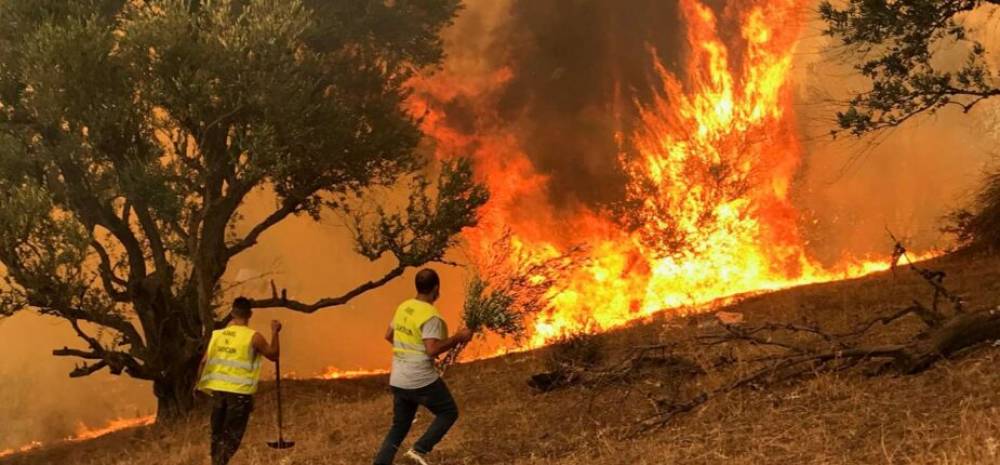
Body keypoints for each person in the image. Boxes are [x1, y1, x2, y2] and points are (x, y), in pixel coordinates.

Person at [373, 269, 473, 465]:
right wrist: (458, 337)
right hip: (420, 380)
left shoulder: (404, 307)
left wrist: (411, 352)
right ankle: (419, 450)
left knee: (399, 427)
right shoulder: (431, 316)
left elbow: (388, 335)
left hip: (399, 379)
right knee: (448, 412)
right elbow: (432, 349)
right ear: (436, 289)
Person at [196, 297, 281, 465]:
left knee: (217, 435)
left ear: (232, 313)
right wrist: (275, 332)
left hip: (218, 393)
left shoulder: (217, 335)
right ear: (250, 314)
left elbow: (204, 362)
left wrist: (197, 386)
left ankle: (216, 462)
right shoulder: (253, 337)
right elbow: (273, 355)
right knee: (232, 437)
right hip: (239, 394)